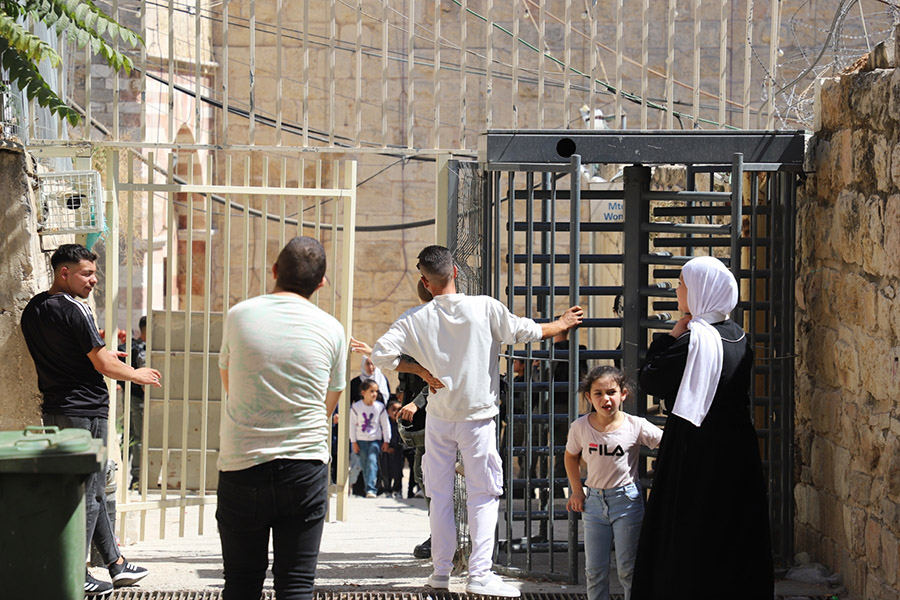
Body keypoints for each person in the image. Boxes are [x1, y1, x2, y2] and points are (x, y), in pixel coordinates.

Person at [370, 244, 584, 598]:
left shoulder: (414, 318)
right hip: (479, 418)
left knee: (439, 495)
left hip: (439, 417)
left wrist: (421, 371)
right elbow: (525, 331)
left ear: (425, 282)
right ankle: (480, 574)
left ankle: (441, 571)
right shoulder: (485, 307)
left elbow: (381, 354)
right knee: (483, 494)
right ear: (455, 271)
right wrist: (561, 324)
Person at [630, 256, 774, 600]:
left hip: (695, 448)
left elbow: (651, 379)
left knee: (690, 528)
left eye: (682, 284)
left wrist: (669, 336)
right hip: (736, 448)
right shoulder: (738, 336)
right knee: (731, 527)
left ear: (701, 290)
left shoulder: (694, 342)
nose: (678, 291)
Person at [20, 243, 157, 597]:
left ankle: (116, 563)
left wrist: (103, 355)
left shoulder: (33, 309)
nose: (94, 280)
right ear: (64, 273)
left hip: (55, 410)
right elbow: (102, 364)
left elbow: (69, 352)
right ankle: (74, 572)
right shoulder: (75, 308)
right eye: (87, 273)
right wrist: (136, 374)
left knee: (85, 491)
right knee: (87, 494)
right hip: (85, 410)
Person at [217, 236, 346, 600]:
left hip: (243, 463)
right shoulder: (332, 329)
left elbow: (230, 383)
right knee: (296, 585)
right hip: (304, 466)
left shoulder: (239, 315)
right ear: (321, 283)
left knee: (241, 584)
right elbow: (329, 402)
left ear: (274, 270)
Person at [564, 366, 662, 600]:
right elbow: (570, 456)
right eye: (598, 393)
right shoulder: (580, 427)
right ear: (589, 397)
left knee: (629, 569)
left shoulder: (635, 425)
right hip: (594, 504)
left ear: (623, 394)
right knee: (594, 571)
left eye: (611, 392)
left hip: (627, 502)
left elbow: (667, 442)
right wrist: (577, 491)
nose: (605, 399)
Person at [349, 379, 391, 498]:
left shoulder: (380, 407)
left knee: (372, 462)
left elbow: (385, 424)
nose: (374, 394)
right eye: (371, 391)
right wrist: (353, 441)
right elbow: (352, 425)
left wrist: (387, 440)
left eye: (376, 391)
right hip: (361, 440)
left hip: (374, 440)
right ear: (363, 393)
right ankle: (367, 486)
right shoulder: (356, 407)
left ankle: (371, 489)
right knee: (364, 464)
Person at [119, 316, 148, 488]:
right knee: (138, 437)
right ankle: (136, 477)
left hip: (131, 396)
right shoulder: (138, 349)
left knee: (129, 434)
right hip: (138, 399)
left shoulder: (130, 348)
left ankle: (120, 474)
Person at [380, 398, 405, 498]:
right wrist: (387, 447)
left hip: (398, 451)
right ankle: (387, 490)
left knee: (398, 471)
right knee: (386, 471)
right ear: (388, 411)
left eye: (399, 409)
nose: (396, 412)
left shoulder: (402, 424)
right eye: (393, 409)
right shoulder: (385, 423)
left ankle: (397, 490)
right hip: (386, 451)